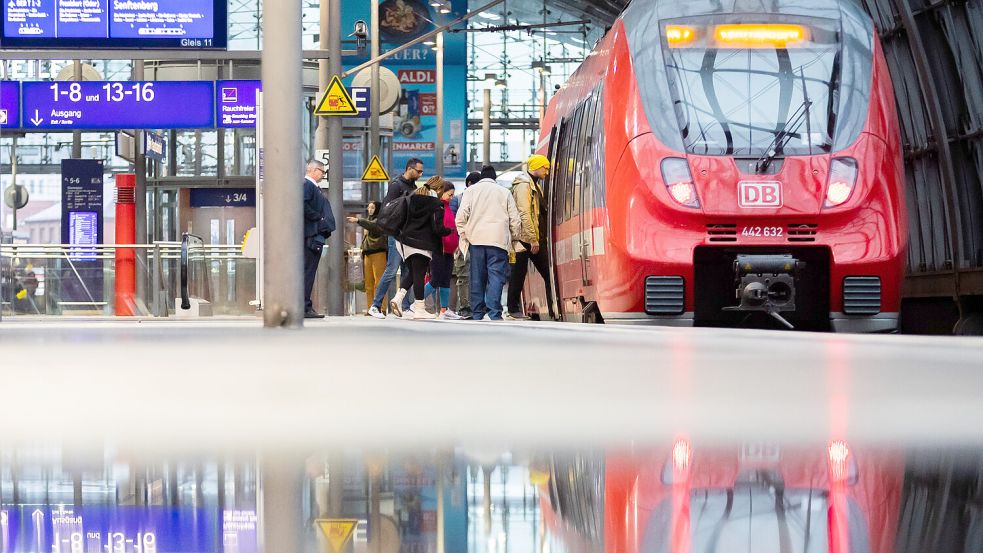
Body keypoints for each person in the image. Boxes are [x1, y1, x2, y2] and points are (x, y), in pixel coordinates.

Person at [455, 165, 522, 320]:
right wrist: (514, 237)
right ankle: (494, 313)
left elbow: (460, 218)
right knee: (496, 277)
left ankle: (477, 312)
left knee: (477, 277)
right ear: (494, 178)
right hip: (498, 241)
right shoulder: (504, 192)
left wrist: (465, 235)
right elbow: (515, 219)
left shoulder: (470, 191)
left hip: (476, 241)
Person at [367, 158, 424, 319]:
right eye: (418, 171)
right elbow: (389, 209)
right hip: (396, 234)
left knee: (408, 270)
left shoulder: (412, 186)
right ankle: (375, 306)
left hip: (407, 234)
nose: (421, 174)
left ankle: (405, 306)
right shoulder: (396, 185)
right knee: (391, 270)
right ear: (409, 169)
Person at [388, 184, 452, 319]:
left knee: (412, 273)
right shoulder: (434, 205)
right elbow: (437, 228)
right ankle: (419, 309)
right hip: (421, 244)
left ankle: (398, 298)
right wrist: (449, 231)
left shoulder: (410, 202)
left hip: (405, 243)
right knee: (419, 275)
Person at [507, 154, 554, 320]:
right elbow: (525, 213)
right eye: (545, 168)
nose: (547, 172)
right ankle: (512, 309)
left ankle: (553, 306)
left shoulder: (535, 185)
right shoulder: (524, 186)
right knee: (518, 274)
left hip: (533, 238)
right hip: (523, 238)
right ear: (536, 167)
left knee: (548, 273)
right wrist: (533, 238)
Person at [302, 159, 336, 318]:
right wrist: (319, 218)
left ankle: (305, 305)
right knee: (308, 271)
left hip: (312, 233)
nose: (323, 175)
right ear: (314, 170)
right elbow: (302, 204)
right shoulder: (307, 185)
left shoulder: (312, 187)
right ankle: (304, 306)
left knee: (308, 270)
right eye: (322, 172)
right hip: (310, 235)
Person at [423, 181, 461, 319]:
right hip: (438, 248)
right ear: (441, 192)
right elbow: (437, 229)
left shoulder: (447, 208)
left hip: (449, 250)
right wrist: (449, 231)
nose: (452, 198)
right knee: (436, 279)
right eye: (450, 195)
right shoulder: (437, 207)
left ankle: (444, 310)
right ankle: (417, 302)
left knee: (445, 279)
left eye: (453, 195)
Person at [449, 171, 480, 319]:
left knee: (478, 275)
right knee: (463, 275)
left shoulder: (482, 198)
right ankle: (465, 307)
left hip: (479, 241)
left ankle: (477, 306)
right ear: (469, 184)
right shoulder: (457, 200)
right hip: (463, 243)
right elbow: (453, 222)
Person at [347, 201, 387, 315]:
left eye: (372, 208)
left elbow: (373, 226)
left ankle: (381, 308)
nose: (369, 210)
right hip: (368, 254)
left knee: (379, 282)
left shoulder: (380, 221)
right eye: (369, 207)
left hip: (379, 253)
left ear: (378, 209)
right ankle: (370, 308)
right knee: (368, 284)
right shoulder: (369, 221)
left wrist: (358, 220)